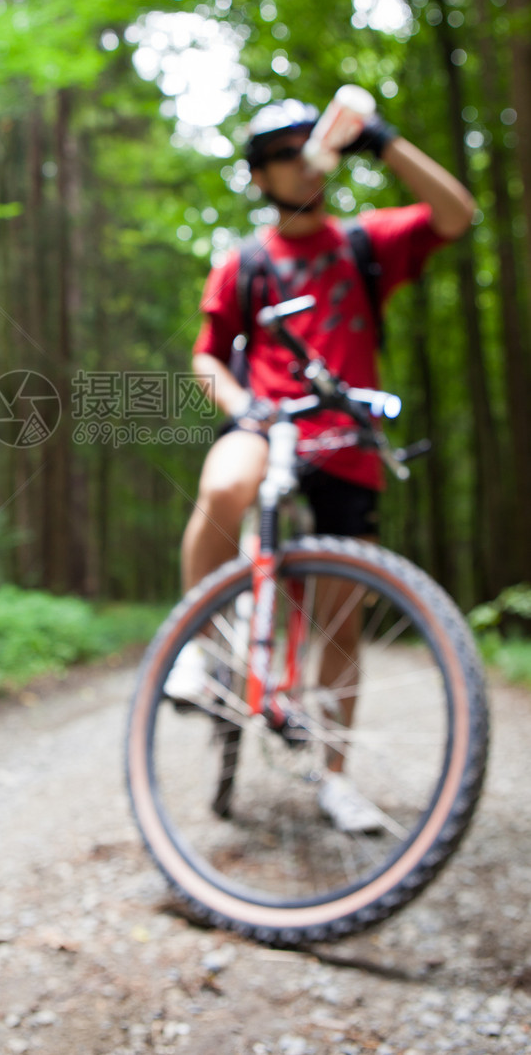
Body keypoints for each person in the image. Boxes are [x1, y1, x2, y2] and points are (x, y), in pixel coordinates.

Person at [169, 94, 476, 832]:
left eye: (305, 146)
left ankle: (335, 779)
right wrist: (243, 405)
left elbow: (457, 213)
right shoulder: (243, 263)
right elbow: (207, 353)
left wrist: (383, 140)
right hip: (267, 423)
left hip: (347, 438)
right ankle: (202, 646)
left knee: (341, 616)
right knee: (224, 483)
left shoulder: (364, 244)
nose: (296, 160)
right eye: (279, 153)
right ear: (258, 177)